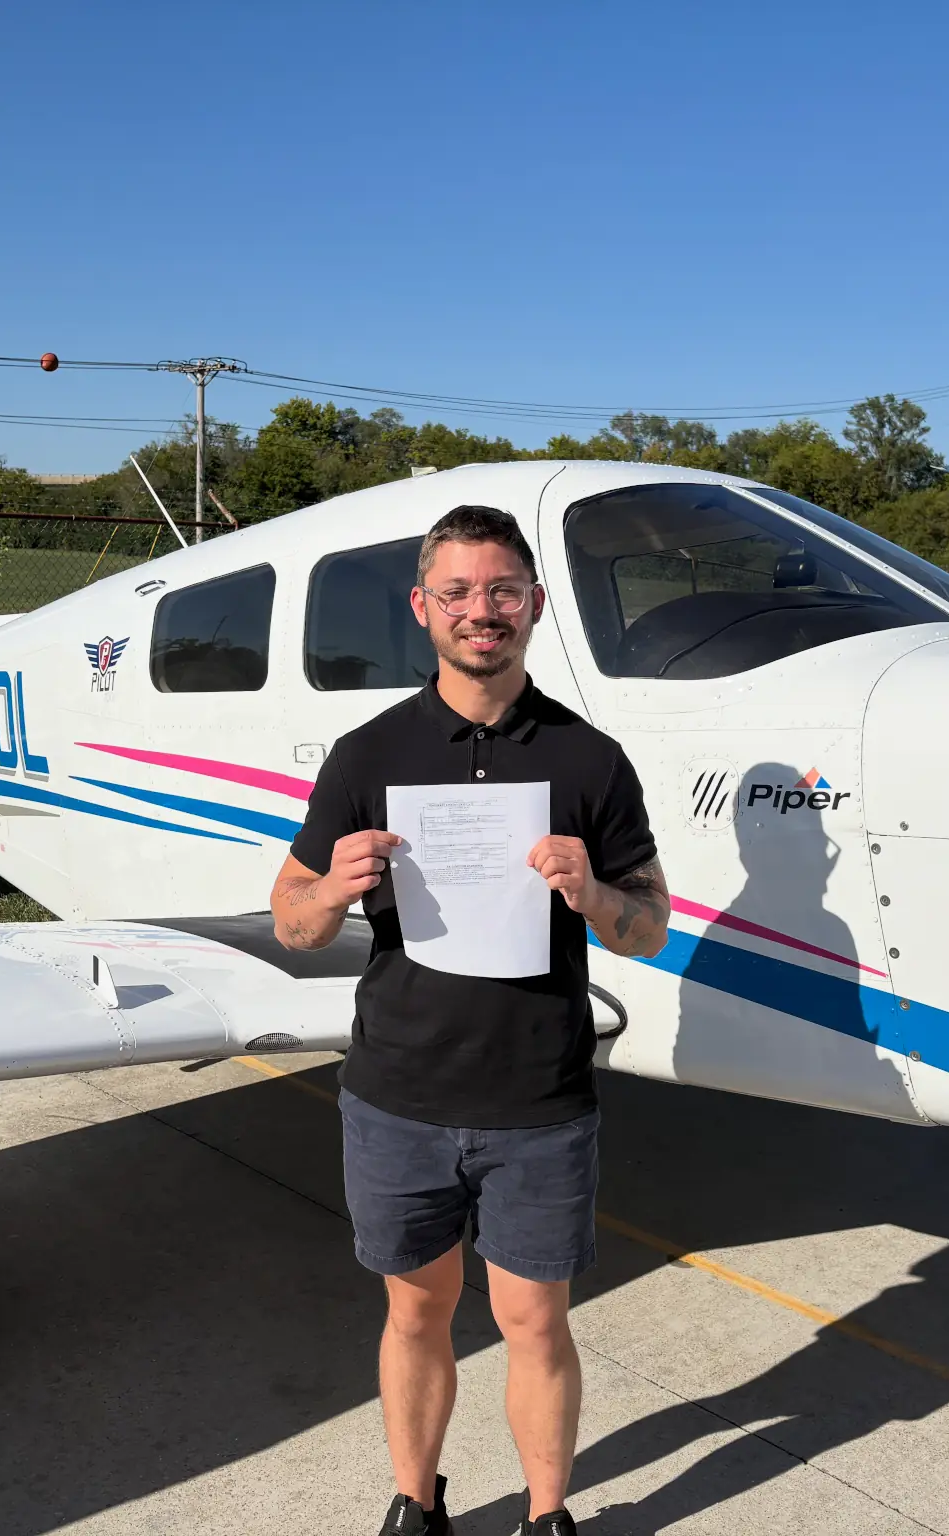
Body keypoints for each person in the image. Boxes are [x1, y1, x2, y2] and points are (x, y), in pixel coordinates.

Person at [270, 505, 670, 1536]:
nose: (478, 610)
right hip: (396, 1094)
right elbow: (293, 918)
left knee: (533, 1321)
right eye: (456, 592)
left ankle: (545, 1515)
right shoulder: (367, 754)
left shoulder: (589, 762)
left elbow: (649, 929)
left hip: (538, 1099)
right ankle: (416, 1500)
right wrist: (327, 893)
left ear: (532, 604)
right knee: (415, 1310)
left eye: (500, 590)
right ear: (422, 608)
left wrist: (593, 899)